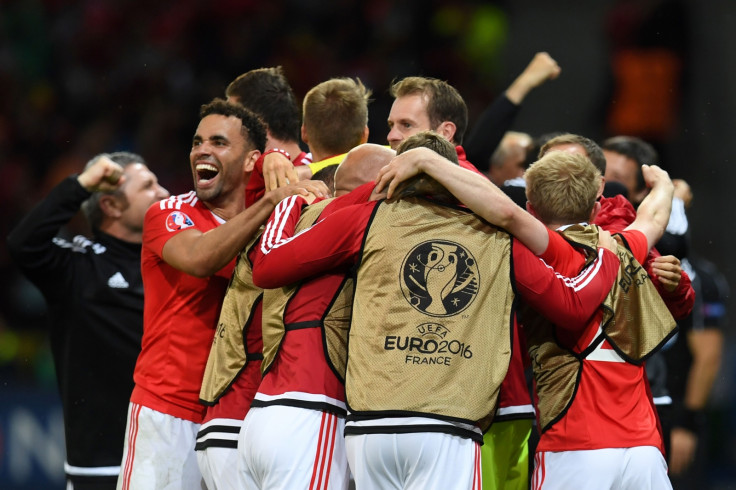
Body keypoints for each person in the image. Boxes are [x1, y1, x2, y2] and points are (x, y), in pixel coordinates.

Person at [252, 132, 622, 489]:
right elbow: (572, 305)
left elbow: (268, 267)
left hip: (369, 427)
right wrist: (606, 257)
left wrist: (290, 200)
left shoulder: (366, 219)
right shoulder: (494, 236)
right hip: (448, 426)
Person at [377, 148, 677, 489]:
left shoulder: (551, 253)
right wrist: (662, 184)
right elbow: (653, 218)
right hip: (643, 450)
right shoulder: (623, 247)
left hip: (574, 447)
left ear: (531, 207)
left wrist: (427, 160)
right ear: (597, 206)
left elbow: (505, 214)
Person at [117, 99, 327, 490]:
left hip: (238, 413)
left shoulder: (270, 216)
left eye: (218, 142)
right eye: (197, 142)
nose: (202, 151)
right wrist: (270, 200)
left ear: (250, 161)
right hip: (169, 410)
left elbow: (317, 162)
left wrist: (277, 157)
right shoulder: (170, 213)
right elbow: (201, 258)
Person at [237, 143, 395, 489]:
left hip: (264, 411)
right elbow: (267, 266)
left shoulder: (305, 215)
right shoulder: (356, 219)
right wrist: (289, 195)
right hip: (312, 411)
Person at [7, 152, 169, 489]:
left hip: (171, 453)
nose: (164, 193)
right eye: (149, 186)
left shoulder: (180, 262)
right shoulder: (78, 268)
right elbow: (24, 243)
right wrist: (81, 186)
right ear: (111, 206)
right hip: (102, 466)